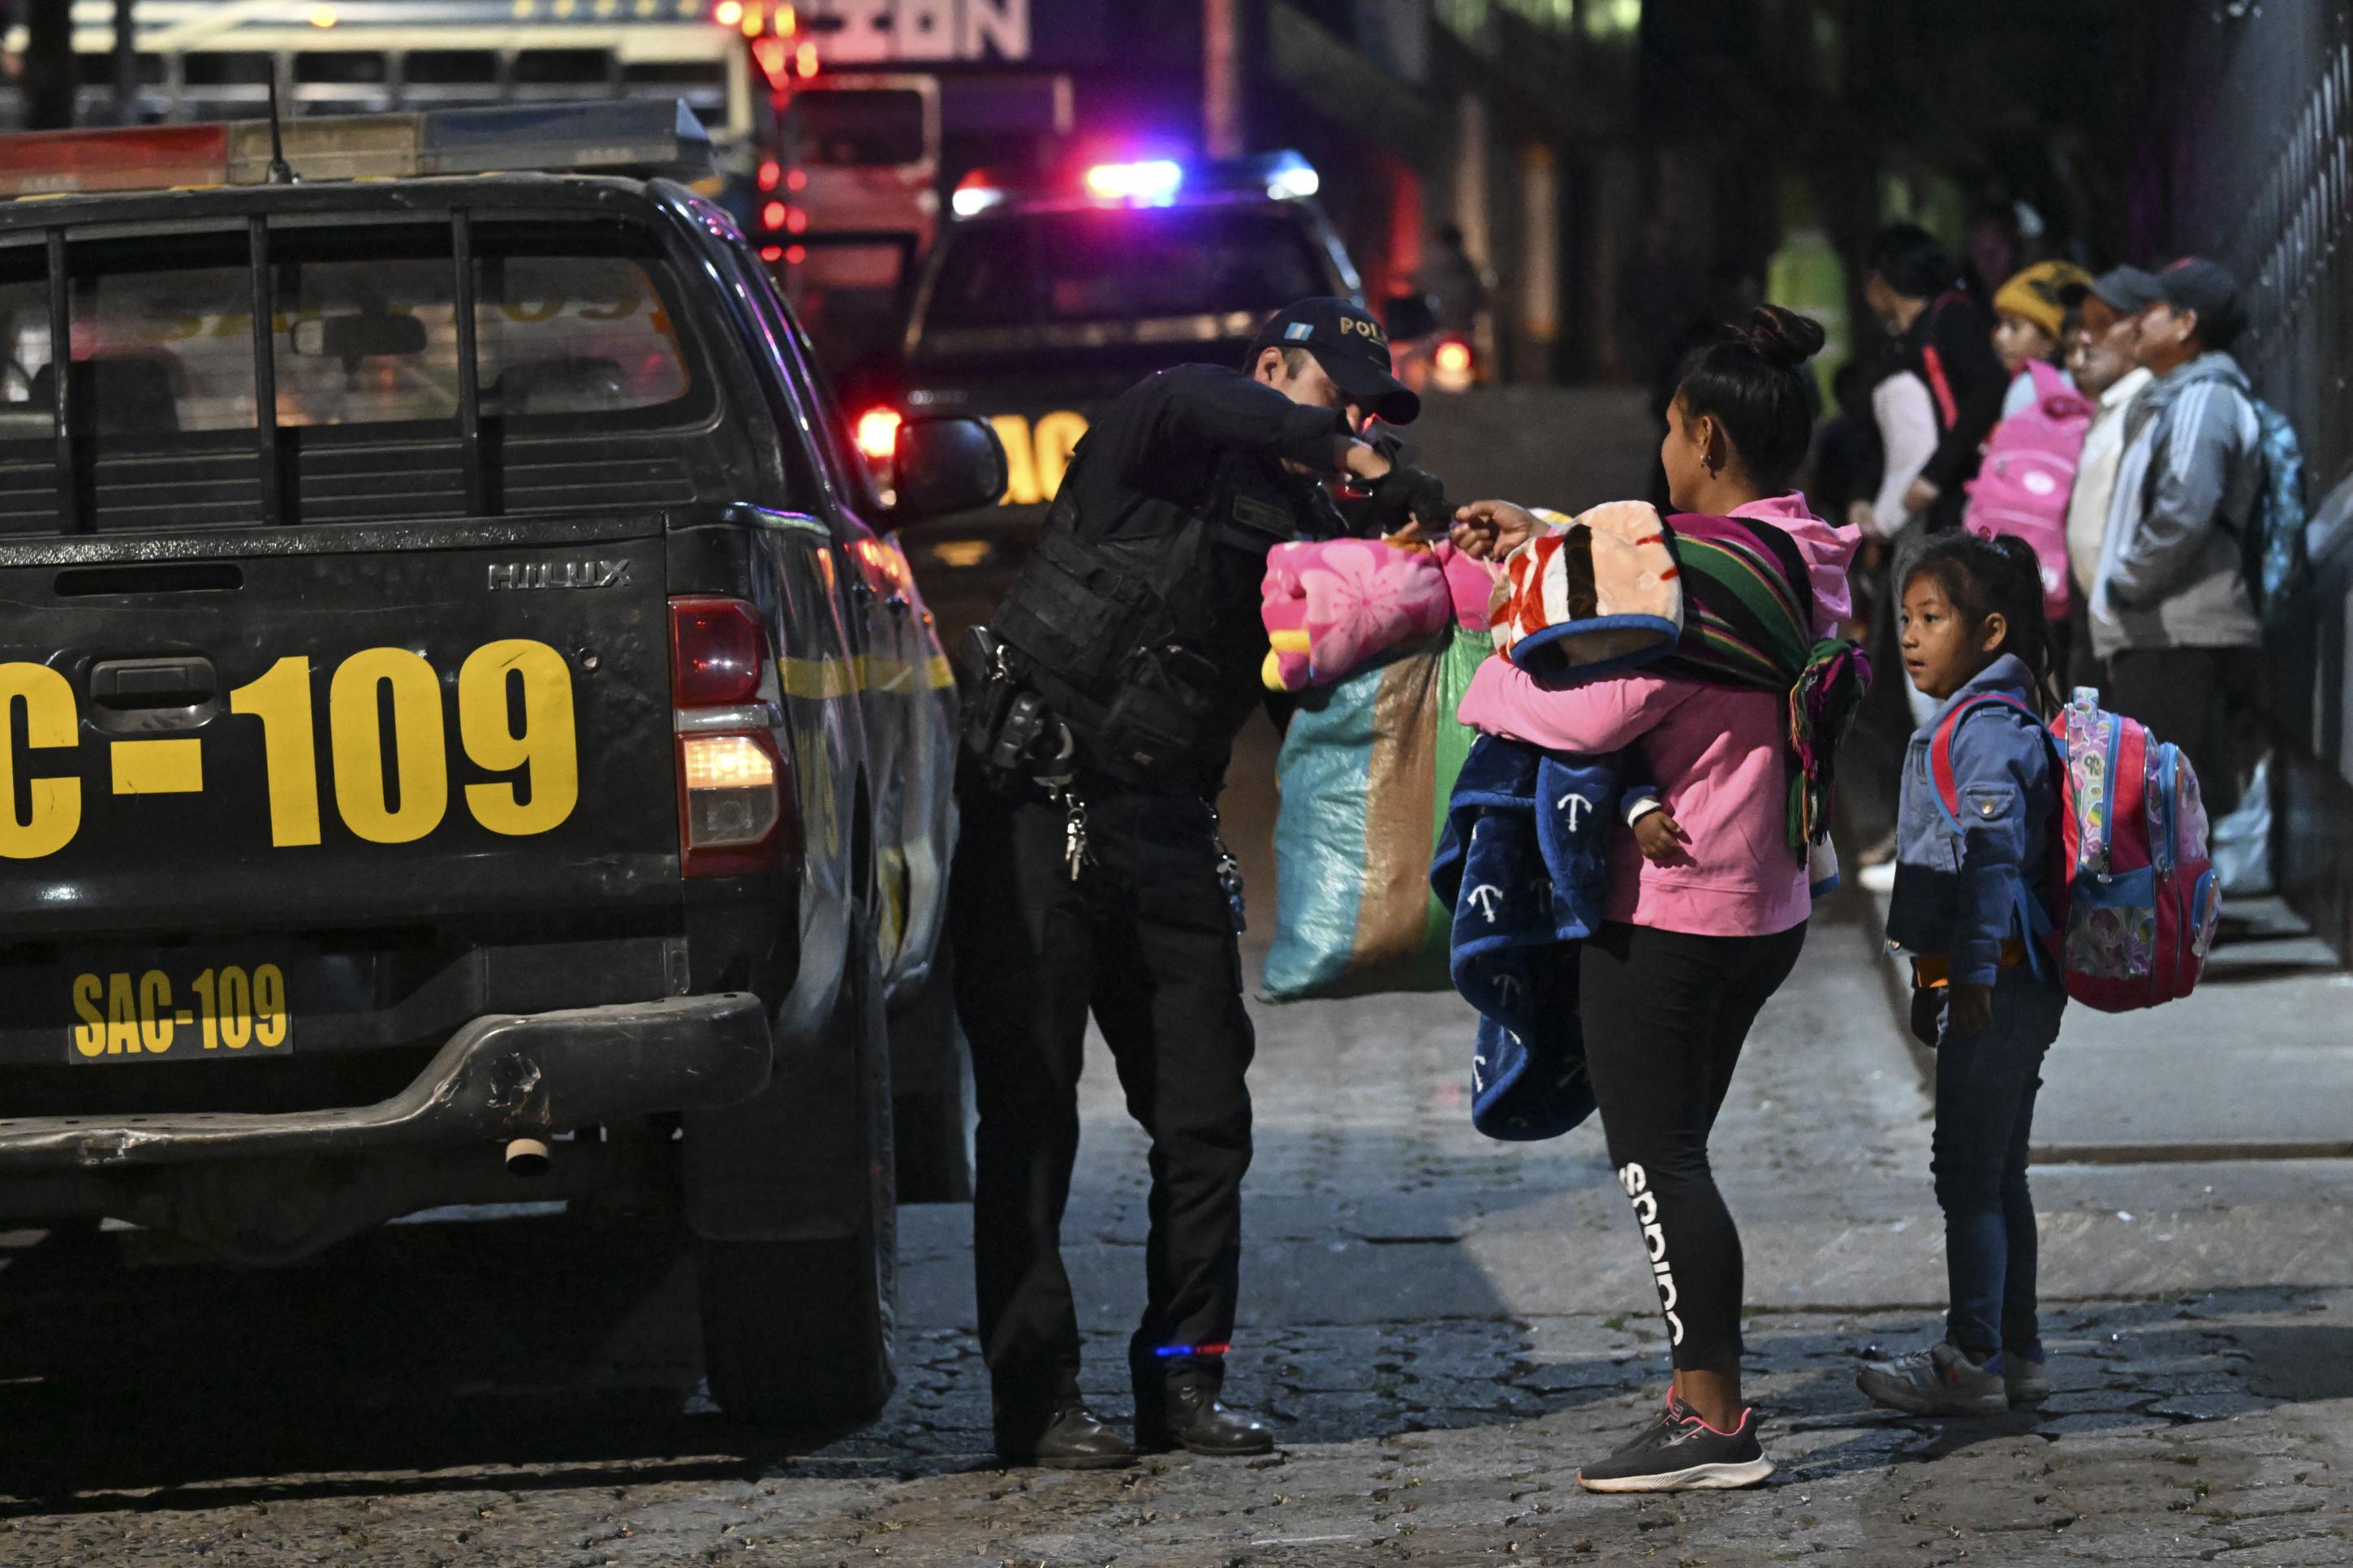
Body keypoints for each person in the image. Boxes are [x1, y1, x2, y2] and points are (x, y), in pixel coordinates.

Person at [950, 297, 1434, 1470]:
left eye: (1370, 410)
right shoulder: (1158, 434)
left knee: (1205, 1119)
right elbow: (1183, 393)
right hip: (1037, 813)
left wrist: (1402, 571)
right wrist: (1327, 443)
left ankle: (1180, 1381)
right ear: (1270, 367)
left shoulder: (1298, 527)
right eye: (1335, 393)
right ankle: (1036, 1399)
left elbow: (1320, 704)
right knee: (1029, 1119)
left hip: (1166, 833)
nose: (1353, 422)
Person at [1448, 305, 1858, 1492]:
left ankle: (1712, 1420)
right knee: (1676, 1150)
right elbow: (1640, 572)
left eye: (1671, 432)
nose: (1662, 452)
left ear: (1707, 437)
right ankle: (1697, 1391)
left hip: (1674, 905)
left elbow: (1593, 710)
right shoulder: (1799, 551)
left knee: (1658, 1159)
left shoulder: (1699, 574)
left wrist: (1484, 673)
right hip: (1764, 903)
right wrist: (1538, 533)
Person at [1858, 532, 2066, 1416]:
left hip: (2004, 981)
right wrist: (1931, 982)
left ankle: (1971, 1356)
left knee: (1965, 1173)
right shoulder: (1975, 719)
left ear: (1988, 632)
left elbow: (1989, 861)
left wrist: (1970, 978)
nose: (1909, 638)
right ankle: (2017, 1352)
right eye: (1903, 619)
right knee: (1997, 1167)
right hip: (2000, 980)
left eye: (1931, 619)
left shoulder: (1985, 731)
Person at [2089, 257, 2263, 816]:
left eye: (2151, 312)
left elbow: (2183, 511)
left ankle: (2177, 907)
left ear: (2185, 324)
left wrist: (2125, 585)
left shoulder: (2201, 398)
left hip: (2177, 630)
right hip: (2161, 629)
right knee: (2160, 801)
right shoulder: (2175, 396)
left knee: (2166, 803)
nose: (2136, 323)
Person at [1861, 225, 2009, 536]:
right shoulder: (1902, 339)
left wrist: (1934, 476)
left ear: (1878, 281)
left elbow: (1990, 386)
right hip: (1917, 504)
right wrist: (1860, 494)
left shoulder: (1952, 316)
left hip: (1960, 494)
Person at [2058, 269, 2158, 688]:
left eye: (2100, 324)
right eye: (2082, 325)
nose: (2084, 338)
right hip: (2099, 626)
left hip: (2134, 632)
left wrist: (2122, 591)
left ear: (2142, 330)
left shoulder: (2149, 406)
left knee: (2136, 753)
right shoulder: (2114, 405)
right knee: (2087, 751)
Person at [1989, 260, 2094, 409]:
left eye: (2015, 327)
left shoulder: (2028, 389)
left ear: (2050, 340)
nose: (1999, 336)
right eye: (2000, 324)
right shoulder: (2093, 390)